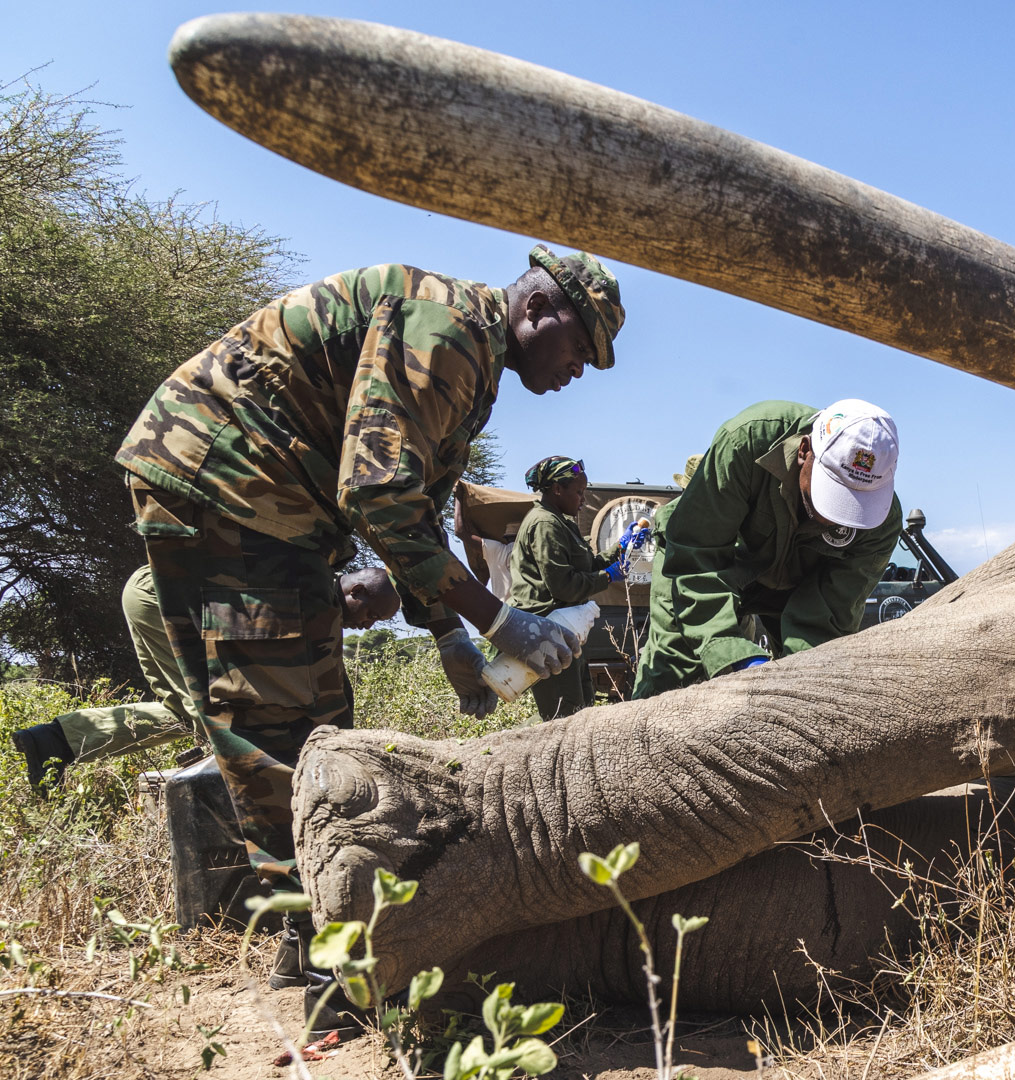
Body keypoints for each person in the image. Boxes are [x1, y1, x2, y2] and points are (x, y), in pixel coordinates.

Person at [113, 244, 624, 923]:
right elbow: (378, 492)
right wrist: (501, 623)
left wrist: (448, 635)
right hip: (228, 477)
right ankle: (303, 936)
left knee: (323, 718)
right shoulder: (447, 330)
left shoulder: (473, 357)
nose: (576, 371)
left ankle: (317, 919)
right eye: (579, 349)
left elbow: (415, 505)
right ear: (536, 308)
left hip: (276, 504)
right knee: (275, 720)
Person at [10, 568, 398, 791]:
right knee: (212, 710)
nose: (366, 626)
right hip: (164, 598)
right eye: (372, 614)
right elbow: (334, 697)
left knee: (187, 708)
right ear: (357, 590)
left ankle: (55, 741)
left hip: (170, 599)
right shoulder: (320, 602)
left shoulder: (319, 597)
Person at [637, 399, 902, 697]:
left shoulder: (880, 524)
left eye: (854, 503)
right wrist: (733, 655)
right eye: (831, 492)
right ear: (804, 451)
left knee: (810, 685)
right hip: (714, 564)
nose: (830, 517)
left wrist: (799, 680)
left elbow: (828, 614)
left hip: (794, 584)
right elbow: (697, 556)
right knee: (673, 672)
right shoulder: (745, 442)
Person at [508, 456, 637, 719]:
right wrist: (608, 577)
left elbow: (586, 566)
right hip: (548, 633)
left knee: (580, 710)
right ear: (557, 489)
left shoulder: (559, 521)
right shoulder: (545, 524)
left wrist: (621, 547)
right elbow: (564, 587)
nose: (584, 500)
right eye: (579, 492)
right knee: (564, 718)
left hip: (564, 631)